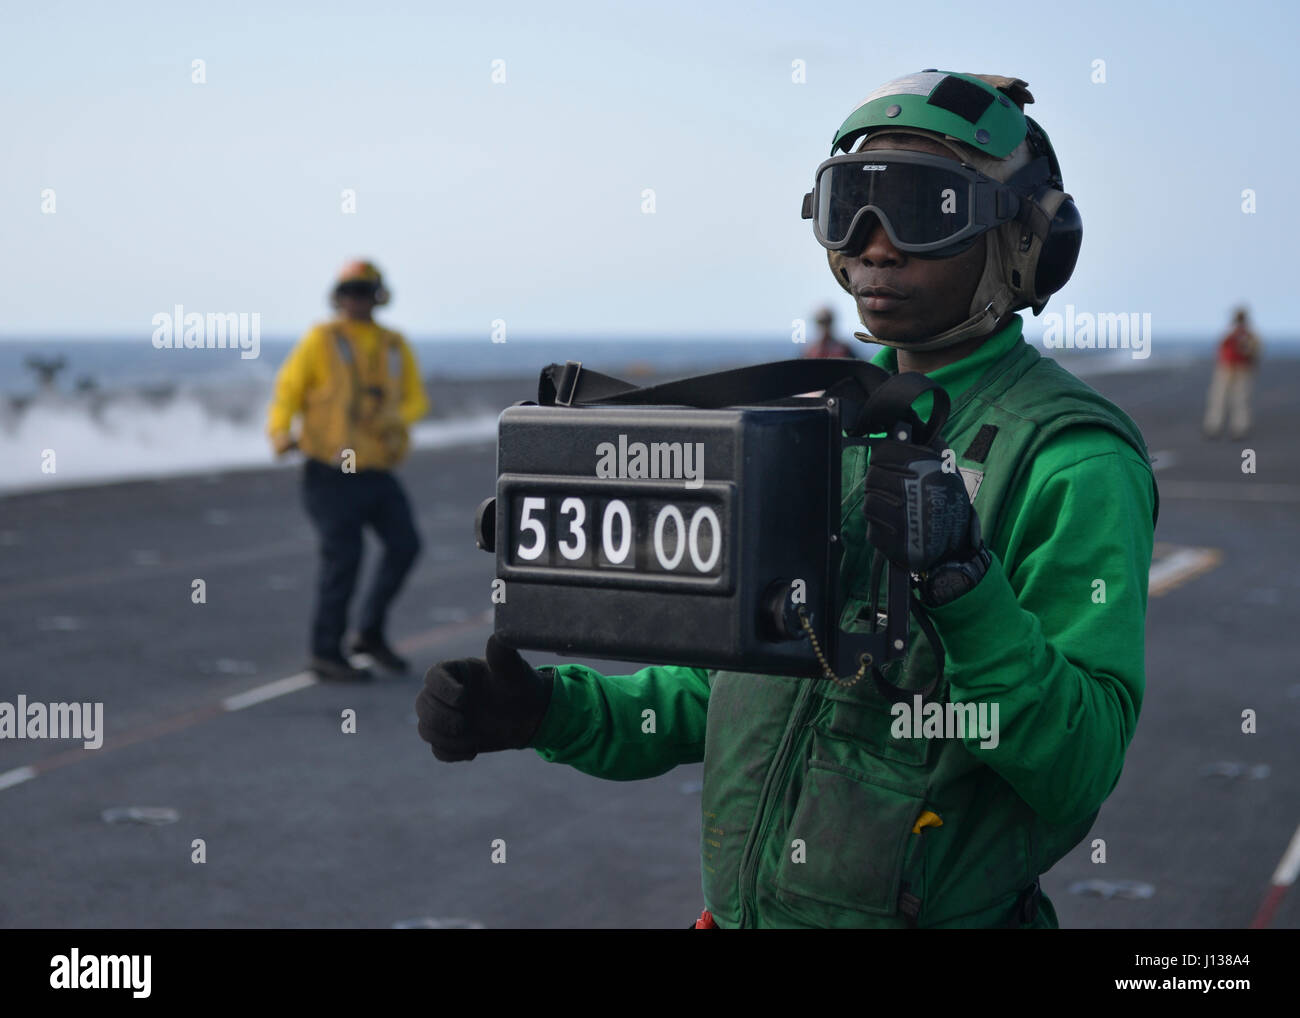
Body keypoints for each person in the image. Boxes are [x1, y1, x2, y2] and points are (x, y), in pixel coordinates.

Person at [417, 72, 1158, 928]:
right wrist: (556, 710)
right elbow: (723, 686)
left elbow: (1079, 765)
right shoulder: (816, 425)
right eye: (850, 207)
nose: (873, 245)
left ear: (1024, 242)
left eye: (923, 208)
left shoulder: (1074, 460)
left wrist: (964, 583)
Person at [268, 260, 429, 682]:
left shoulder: (395, 345)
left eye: (364, 289)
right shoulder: (321, 340)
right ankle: (325, 651)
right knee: (344, 556)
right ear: (338, 296)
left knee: (405, 545)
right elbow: (289, 389)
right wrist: (279, 432)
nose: (356, 298)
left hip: (376, 469)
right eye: (349, 290)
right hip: (329, 470)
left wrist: (394, 419)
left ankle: (369, 634)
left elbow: (416, 400)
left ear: (378, 294)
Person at [1202, 307, 1261, 440]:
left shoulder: (1248, 334)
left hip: (1240, 368)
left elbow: (1254, 350)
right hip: (1228, 367)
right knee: (1220, 397)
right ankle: (1215, 425)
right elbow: (1221, 347)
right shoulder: (1232, 332)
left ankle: (1239, 427)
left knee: (1240, 398)